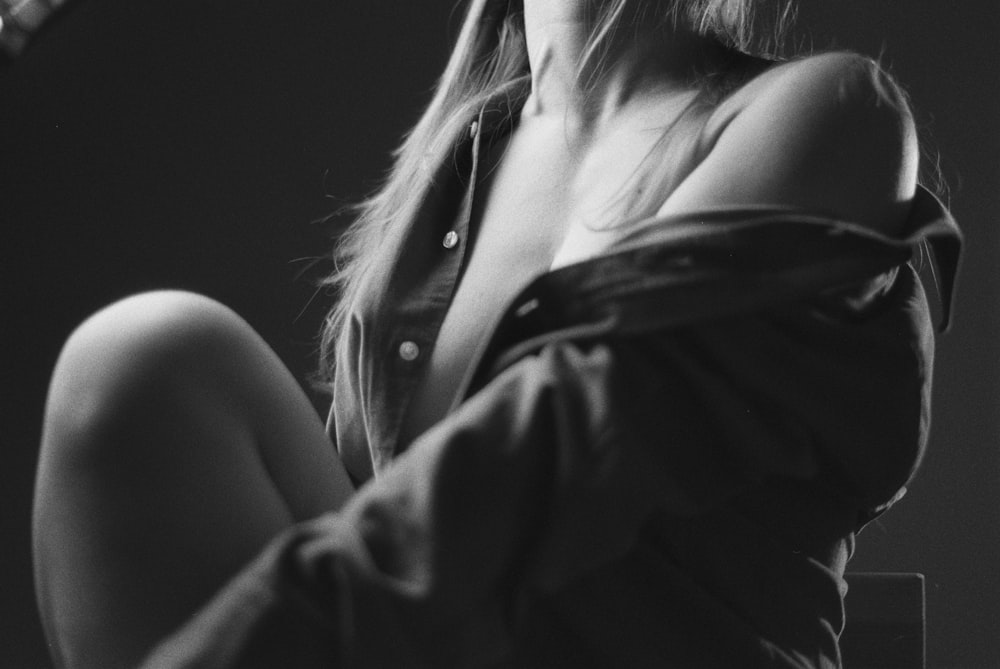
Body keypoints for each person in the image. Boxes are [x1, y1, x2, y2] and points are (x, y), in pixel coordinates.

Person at [33, 0, 961, 667]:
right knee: (147, 355)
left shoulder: (828, 109)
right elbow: (369, 512)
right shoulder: (453, 164)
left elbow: (568, 448)